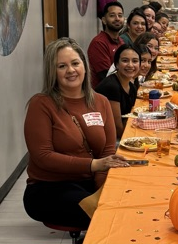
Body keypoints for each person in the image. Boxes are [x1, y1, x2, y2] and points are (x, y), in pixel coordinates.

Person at [23, 38, 129, 230]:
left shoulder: (101, 101)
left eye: (75, 63)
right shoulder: (41, 104)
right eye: (61, 66)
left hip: (87, 182)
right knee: (106, 216)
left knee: (123, 205)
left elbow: (106, 153)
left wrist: (104, 189)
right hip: (49, 188)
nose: (70, 70)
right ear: (52, 72)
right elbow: (43, 157)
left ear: (84, 66)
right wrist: (93, 165)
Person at [96, 43, 140, 137]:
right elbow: (117, 128)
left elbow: (129, 118)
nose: (130, 65)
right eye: (125, 60)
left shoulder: (132, 88)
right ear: (116, 64)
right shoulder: (111, 87)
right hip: (107, 138)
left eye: (135, 61)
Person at [87, 1, 125, 88]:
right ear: (104, 20)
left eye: (120, 15)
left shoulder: (121, 42)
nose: (117, 18)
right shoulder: (98, 43)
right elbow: (107, 77)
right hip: (104, 94)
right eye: (112, 15)